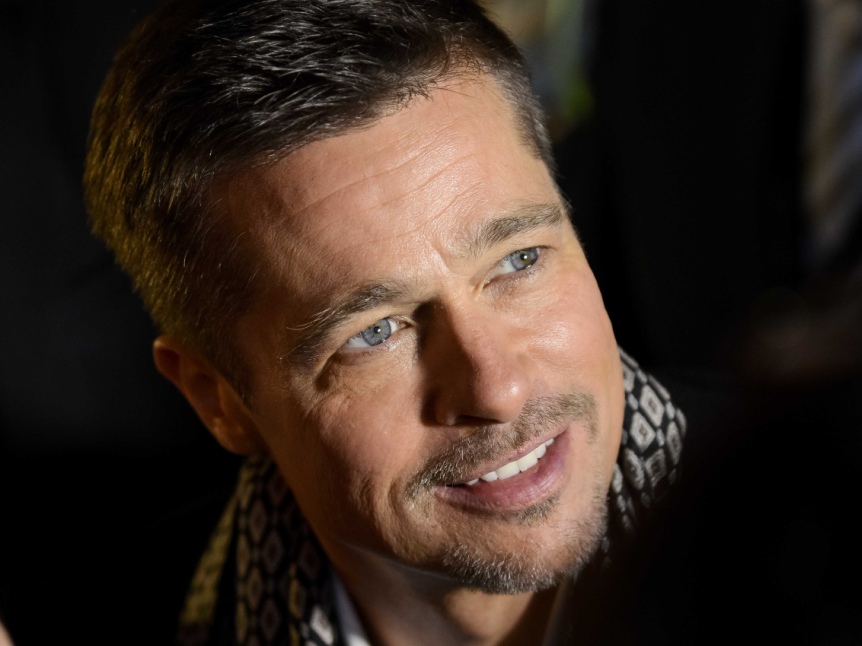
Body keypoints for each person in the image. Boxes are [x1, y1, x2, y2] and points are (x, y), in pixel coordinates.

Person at [84, 1, 685, 644]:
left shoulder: (769, 518)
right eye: (374, 332)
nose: (498, 390)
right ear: (219, 400)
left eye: (520, 260)